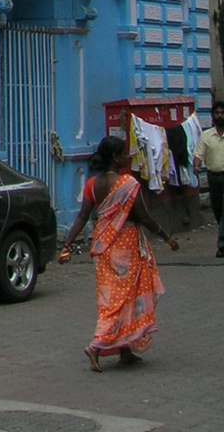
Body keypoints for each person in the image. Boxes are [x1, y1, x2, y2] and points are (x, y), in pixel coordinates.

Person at [58, 134, 179, 371]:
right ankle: (95, 346)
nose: (128, 156)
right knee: (120, 301)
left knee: (113, 299)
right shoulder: (128, 184)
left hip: (103, 249)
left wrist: (67, 245)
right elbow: (142, 217)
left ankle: (125, 349)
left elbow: (82, 217)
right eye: (124, 152)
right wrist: (167, 237)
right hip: (126, 248)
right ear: (115, 157)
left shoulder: (92, 185)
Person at [192, 100, 224, 258]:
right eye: (217, 113)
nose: (220, 116)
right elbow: (198, 154)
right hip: (214, 177)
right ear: (213, 116)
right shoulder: (206, 136)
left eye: (222, 113)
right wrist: (196, 166)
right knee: (218, 210)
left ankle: (222, 246)